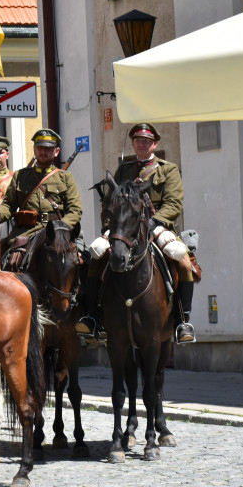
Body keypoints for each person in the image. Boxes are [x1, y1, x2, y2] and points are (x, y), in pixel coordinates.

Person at [85, 122, 195, 343]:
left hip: (157, 226)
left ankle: (183, 320)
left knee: (182, 260)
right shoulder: (123, 170)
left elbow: (174, 203)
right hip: (125, 229)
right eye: (137, 141)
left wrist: (154, 222)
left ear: (154, 144)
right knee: (96, 254)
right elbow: (110, 202)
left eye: (146, 141)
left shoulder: (168, 169)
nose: (141, 144)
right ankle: (92, 316)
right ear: (133, 144)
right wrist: (109, 226)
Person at [0, 129, 82, 252]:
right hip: (26, 233)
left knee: (83, 260)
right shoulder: (20, 176)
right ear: (34, 149)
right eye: (39, 148)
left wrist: (61, 227)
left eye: (47, 149)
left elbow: (75, 210)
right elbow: (9, 205)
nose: (42, 152)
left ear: (56, 151)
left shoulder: (65, 177)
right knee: (11, 262)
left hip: (57, 233)